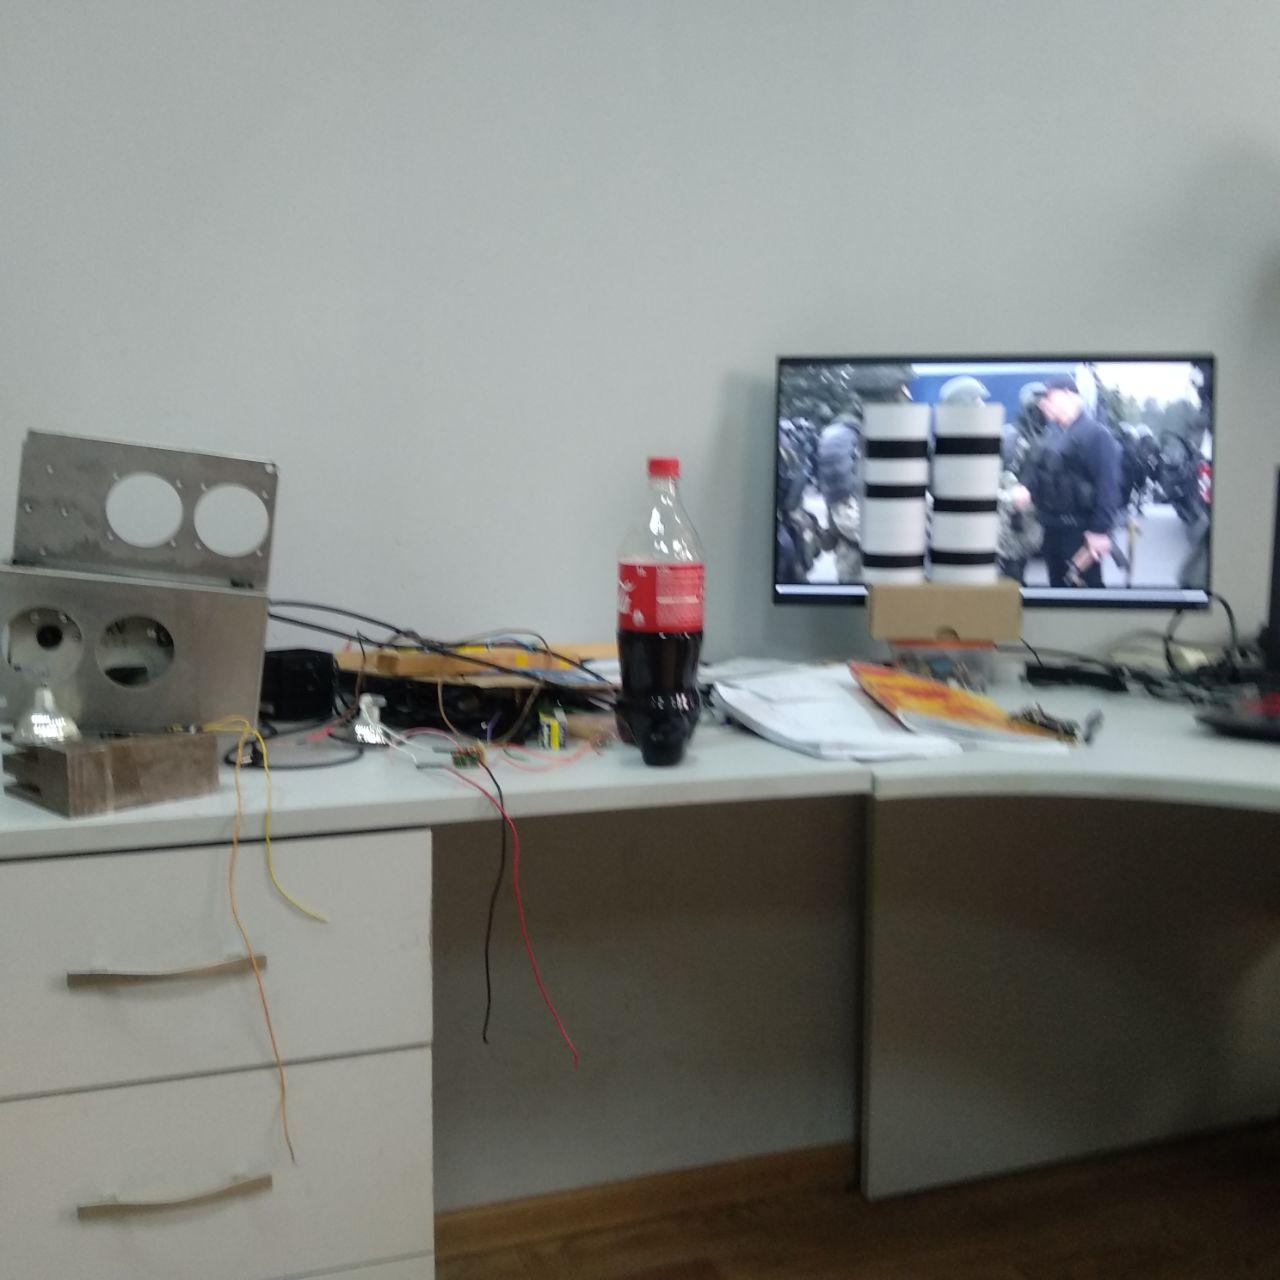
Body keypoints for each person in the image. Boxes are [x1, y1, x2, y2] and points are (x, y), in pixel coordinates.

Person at [1025, 375, 1123, 588]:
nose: (1043, 404)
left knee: (1084, 596)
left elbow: (1108, 486)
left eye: (1049, 397)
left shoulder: (1096, 435)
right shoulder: (1054, 436)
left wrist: (1099, 531)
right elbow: (1040, 476)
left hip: (1079, 534)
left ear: (1069, 395)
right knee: (1059, 593)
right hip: (1053, 531)